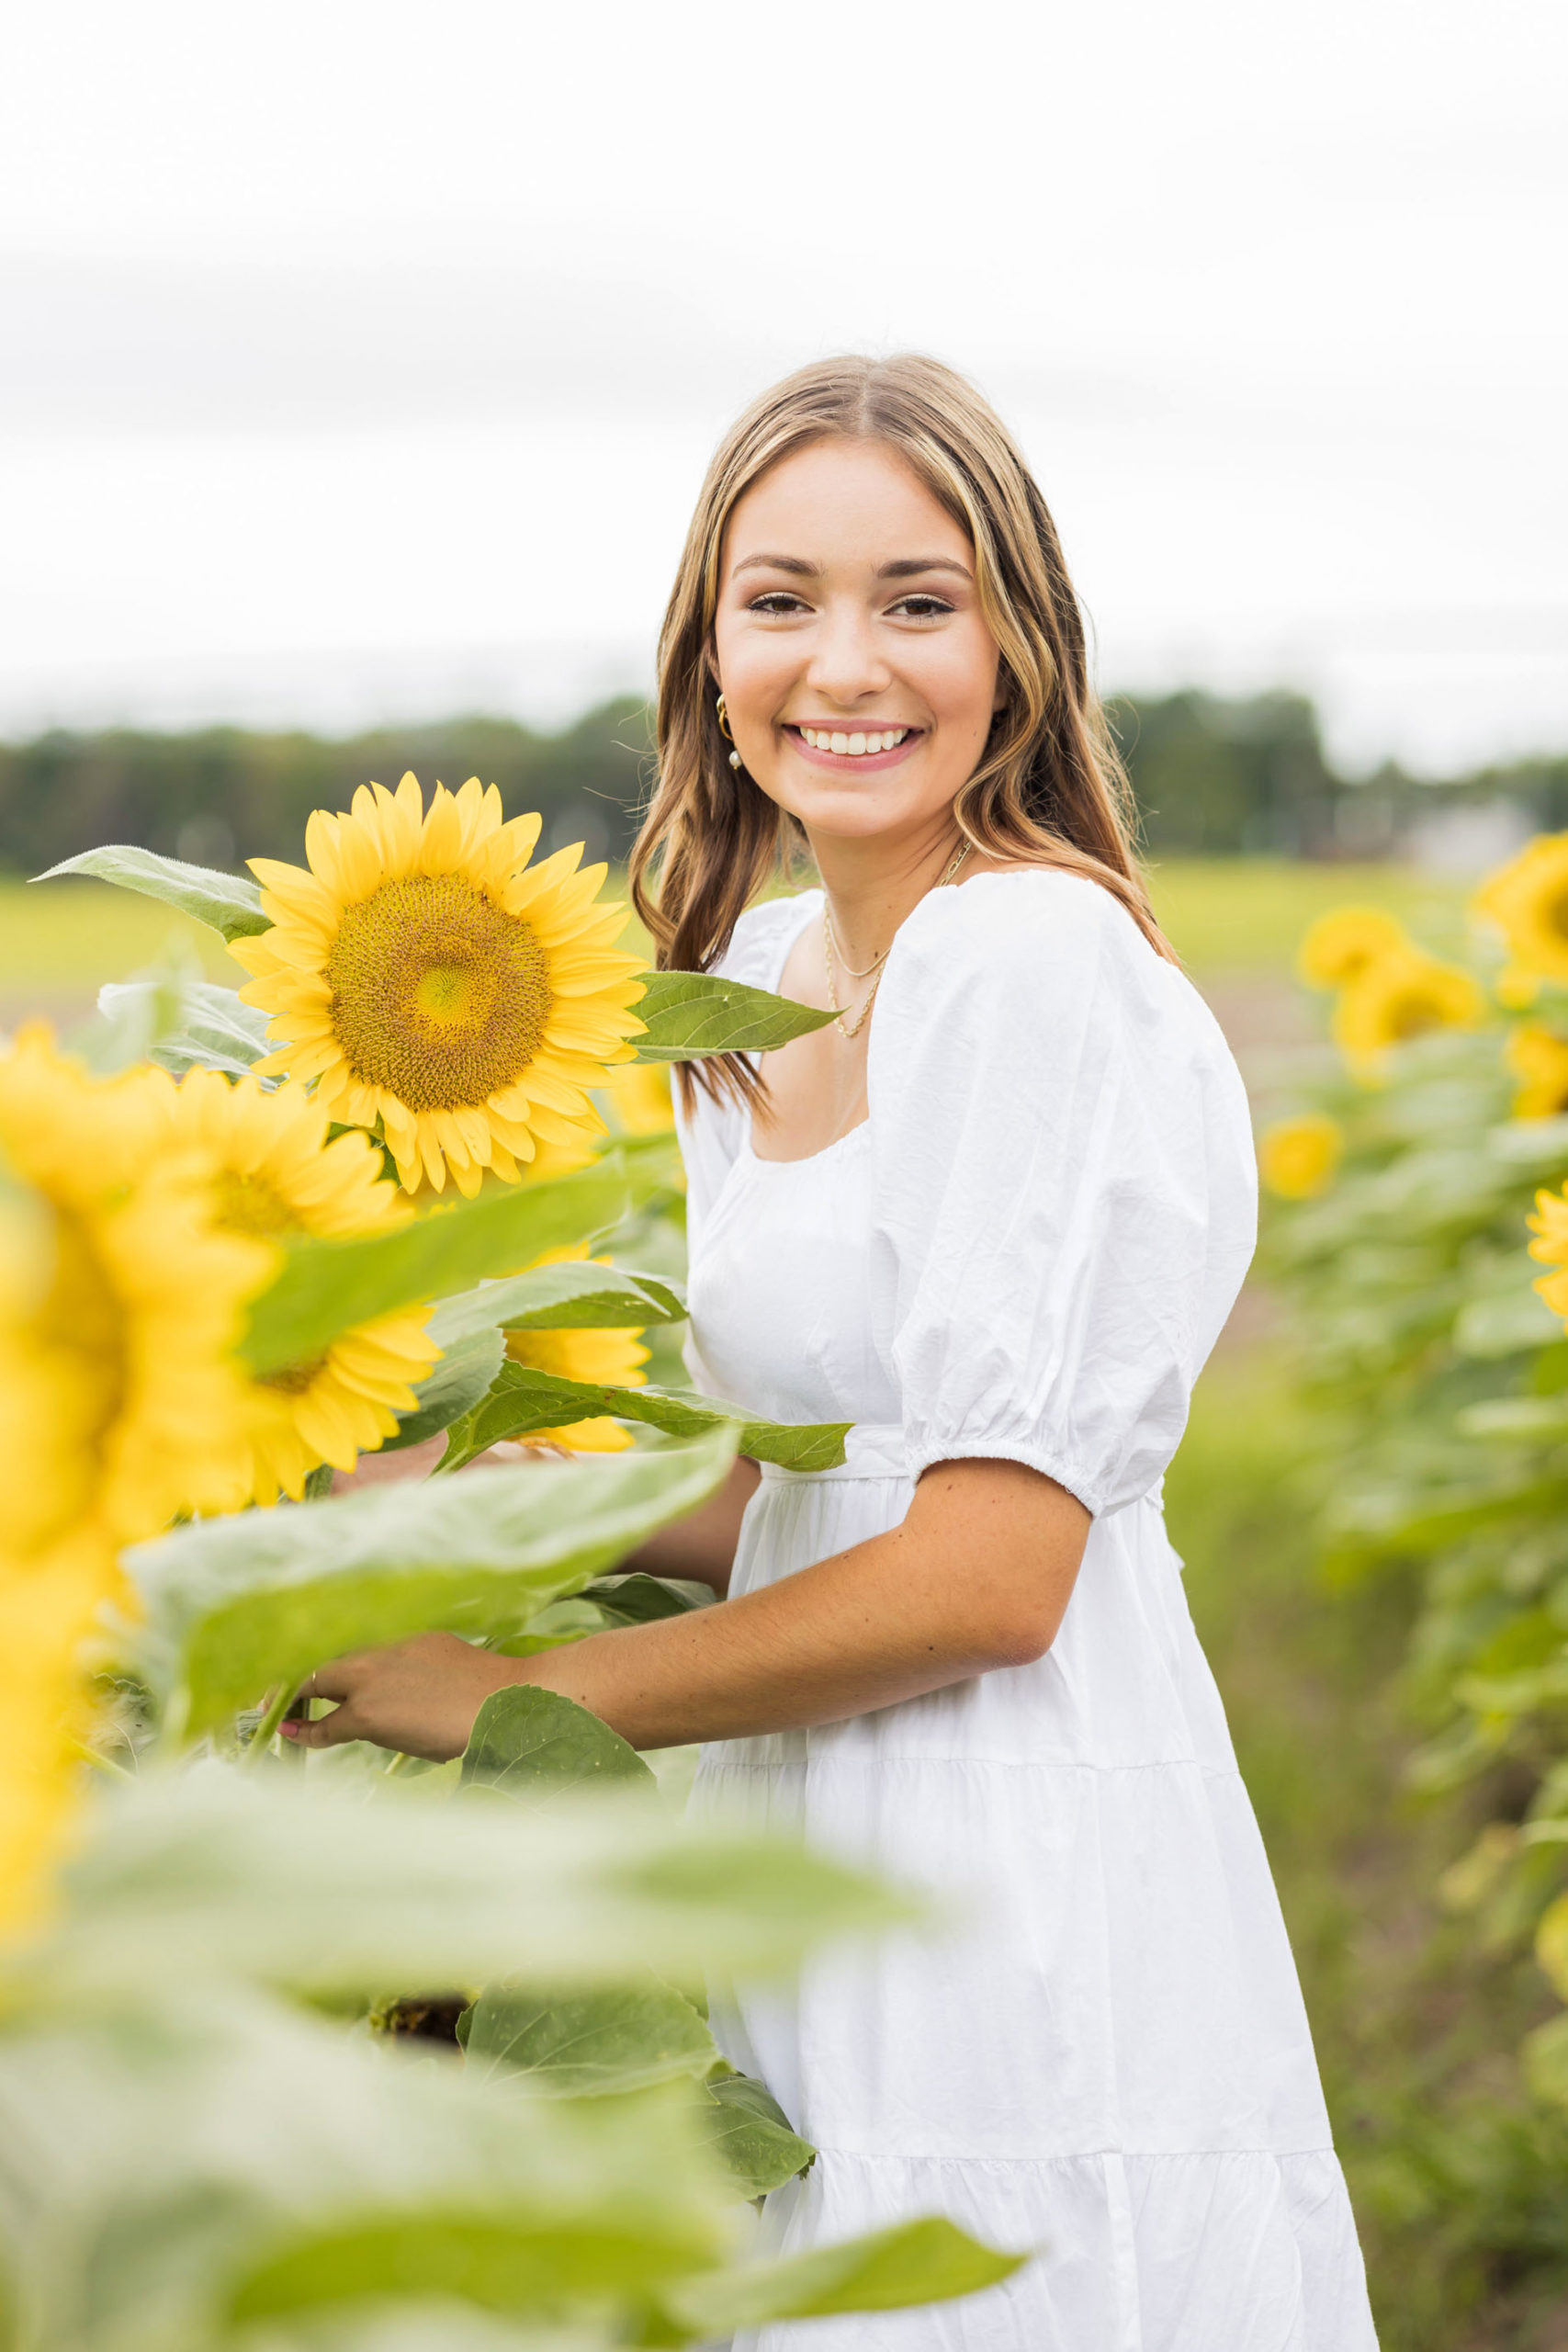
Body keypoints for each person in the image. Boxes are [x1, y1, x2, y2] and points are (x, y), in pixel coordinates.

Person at [285, 354, 1378, 2349]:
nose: (842, 664)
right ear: (708, 648)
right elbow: (818, 1482)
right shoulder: (771, 977)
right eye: (780, 599)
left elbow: (987, 1569)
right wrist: (358, 1500)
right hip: (801, 1806)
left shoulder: (1020, 957)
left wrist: (522, 1693)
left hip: (996, 1834)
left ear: (1015, 647)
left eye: (916, 598)